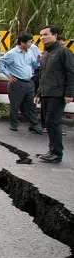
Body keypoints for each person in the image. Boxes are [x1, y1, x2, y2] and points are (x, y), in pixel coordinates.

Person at [34, 25, 74, 163]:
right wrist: (39, 94)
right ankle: (52, 150)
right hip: (46, 93)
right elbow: (42, 76)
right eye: (41, 35)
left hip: (58, 93)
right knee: (47, 123)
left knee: (53, 123)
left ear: (55, 36)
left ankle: (57, 153)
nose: (43, 37)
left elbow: (71, 72)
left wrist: (69, 93)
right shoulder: (45, 54)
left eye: (46, 34)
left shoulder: (64, 52)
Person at [0, 33, 42, 134]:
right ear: (22, 42)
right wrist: (8, 75)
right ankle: (14, 124)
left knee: (31, 104)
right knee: (15, 105)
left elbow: (34, 65)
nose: (31, 44)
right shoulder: (12, 53)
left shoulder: (30, 52)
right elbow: (0, 63)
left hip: (29, 82)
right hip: (17, 82)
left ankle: (34, 124)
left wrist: (38, 60)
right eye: (29, 42)